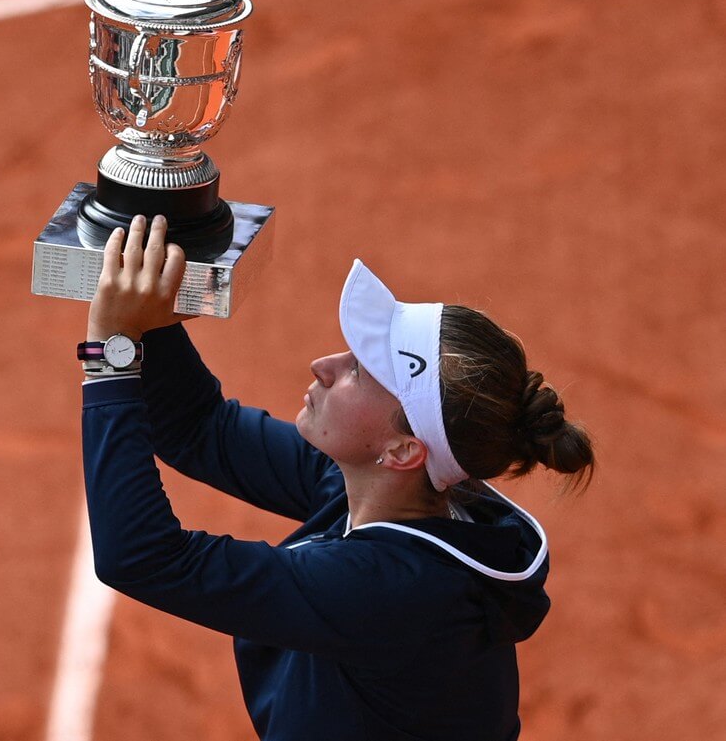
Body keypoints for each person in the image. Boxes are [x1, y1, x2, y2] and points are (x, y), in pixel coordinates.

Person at [77, 214, 595, 741]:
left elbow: (142, 557)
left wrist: (112, 351)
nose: (324, 363)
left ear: (403, 449)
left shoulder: (387, 592)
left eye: (361, 371)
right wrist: (153, 309)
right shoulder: (398, 492)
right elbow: (202, 429)